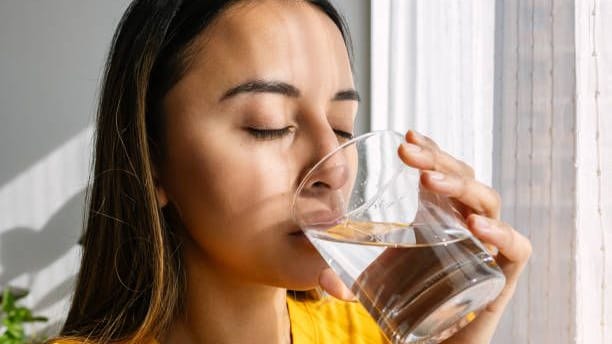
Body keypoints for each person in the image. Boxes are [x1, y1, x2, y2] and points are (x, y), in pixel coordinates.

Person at [52, 0, 532, 343]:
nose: (336, 167)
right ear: (153, 160)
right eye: (270, 126)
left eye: (343, 128)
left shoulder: (372, 333)